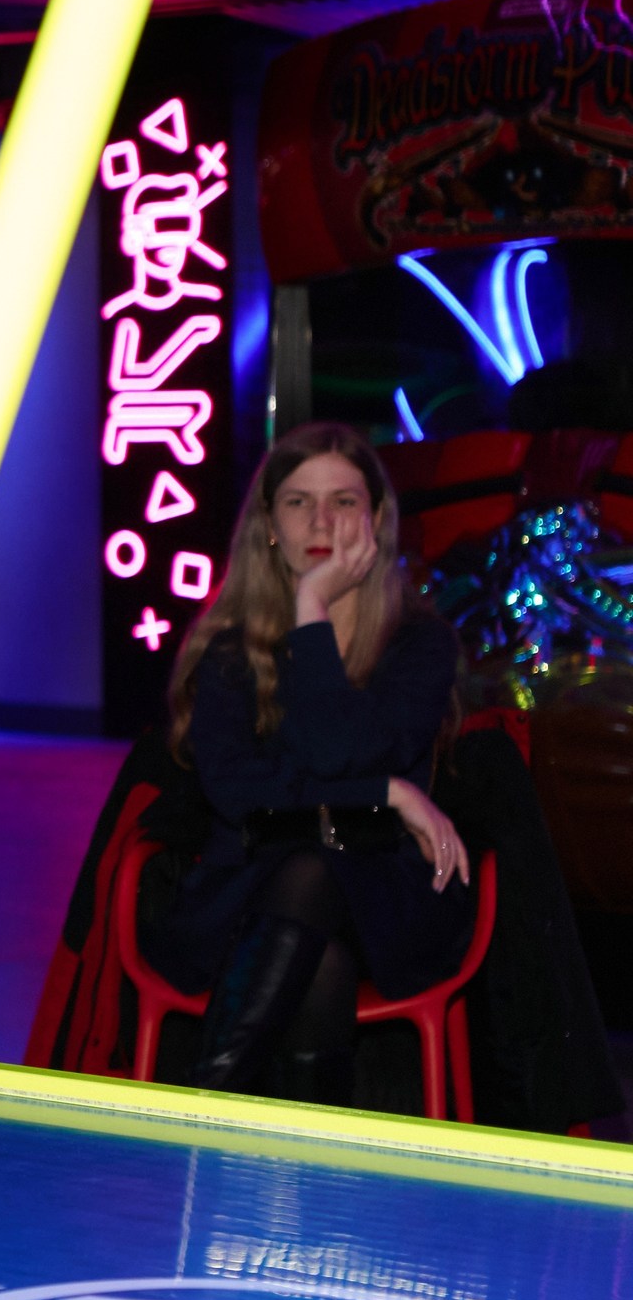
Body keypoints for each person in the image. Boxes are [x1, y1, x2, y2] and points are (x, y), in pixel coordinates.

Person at [149, 422, 473, 1108]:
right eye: (299, 502)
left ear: (376, 519)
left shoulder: (419, 644)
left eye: (344, 502)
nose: (322, 522)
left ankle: (196, 1119)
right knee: (314, 920)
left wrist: (311, 611)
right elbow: (239, 793)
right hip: (248, 888)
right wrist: (387, 792)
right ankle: (277, 1157)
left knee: (315, 873)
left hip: (386, 895)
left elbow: (334, 752)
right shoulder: (229, 649)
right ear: (270, 524)